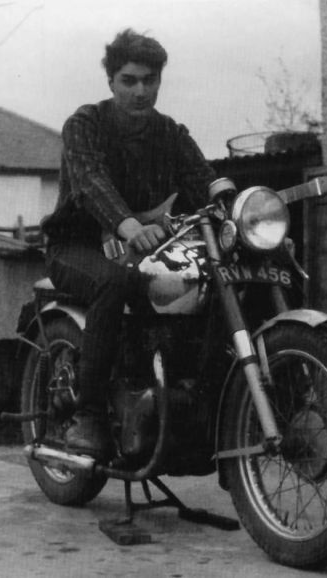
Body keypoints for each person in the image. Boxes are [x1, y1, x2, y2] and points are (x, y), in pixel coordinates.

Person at [40, 29, 216, 460]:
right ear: (111, 81)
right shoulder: (85, 124)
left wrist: (237, 204)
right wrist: (130, 225)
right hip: (75, 246)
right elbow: (91, 182)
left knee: (211, 281)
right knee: (113, 283)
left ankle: (195, 402)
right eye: (129, 80)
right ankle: (89, 417)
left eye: (149, 80)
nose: (141, 91)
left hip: (144, 247)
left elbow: (204, 180)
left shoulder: (170, 133)